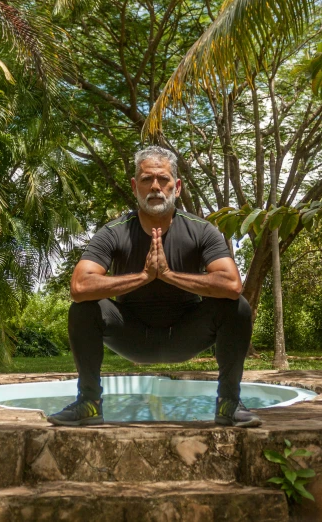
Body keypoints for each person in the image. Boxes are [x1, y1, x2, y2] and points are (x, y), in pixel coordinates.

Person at [47, 145, 260, 428]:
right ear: (135, 186)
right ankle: (89, 402)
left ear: (178, 186)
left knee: (237, 307)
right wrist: (143, 277)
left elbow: (232, 284)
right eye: (147, 179)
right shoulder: (113, 232)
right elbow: (79, 285)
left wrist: (169, 275)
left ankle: (229, 403)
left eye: (163, 179)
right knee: (83, 308)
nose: (155, 187)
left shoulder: (202, 230)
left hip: (186, 333)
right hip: (131, 334)